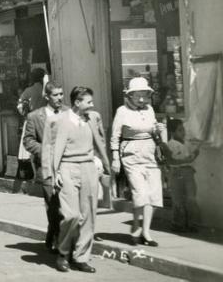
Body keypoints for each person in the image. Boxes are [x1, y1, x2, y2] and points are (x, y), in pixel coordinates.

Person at [51, 86, 110, 273]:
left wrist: (104, 163)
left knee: (89, 215)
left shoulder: (93, 118)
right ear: (77, 103)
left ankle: (81, 257)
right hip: (68, 168)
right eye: (88, 102)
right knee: (72, 215)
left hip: (88, 168)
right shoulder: (63, 120)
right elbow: (57, 149)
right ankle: (62, 252)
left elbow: (100, 141)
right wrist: (56, 173)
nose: (92, 105)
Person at [110, 76, 167, 247]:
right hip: (131, 154)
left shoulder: (149, 109)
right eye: (138, 95)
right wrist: (115, 158)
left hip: (150, 153)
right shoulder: (122, 111)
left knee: (154, 195)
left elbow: (154, 131)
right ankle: (135, 225)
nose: (142, 99)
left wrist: (159, 130)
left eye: (145, 95)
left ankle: (146, 231)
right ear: (130, 96)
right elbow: (115, 136)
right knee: (140, 194)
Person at [23, 82, 68, 253]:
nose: (59, 98)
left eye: (61, 94)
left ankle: (57, 235)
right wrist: (46, 150)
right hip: (47, 166)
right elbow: (28, 141)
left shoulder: (68, 113)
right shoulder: (35, 116)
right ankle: (56, 234)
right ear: (47, 96)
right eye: (56, 95)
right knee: (53, 204)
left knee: (66, 206)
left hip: (67, 164)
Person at [163, 119, 201, 232]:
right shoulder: (170, 145)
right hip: (176, 173)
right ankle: (177, 223)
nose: (183, 132)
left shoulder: (186, 143)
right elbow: (170, 161)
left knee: (191, 198)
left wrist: (195, 153)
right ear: (173, 132)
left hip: (188, 172)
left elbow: (192, 156)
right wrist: (185, 160)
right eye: (180, 130)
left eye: (183, 129)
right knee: (178, 199)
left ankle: (191, 223)